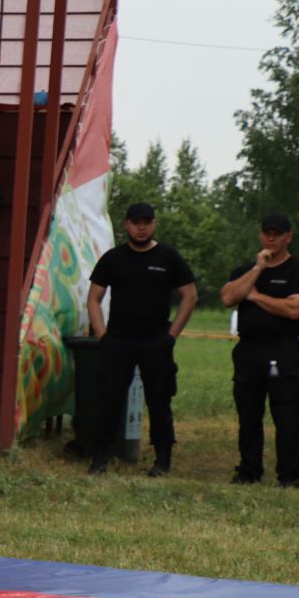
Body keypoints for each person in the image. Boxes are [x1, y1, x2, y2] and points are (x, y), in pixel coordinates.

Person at [86, 202, 198, 477]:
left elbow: (190, 296)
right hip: (119, 341)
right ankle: (100, 457)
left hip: (156, 341)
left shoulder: (168, 258)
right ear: (126, 224)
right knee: (108, 397)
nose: (141, 226)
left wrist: (171, 336)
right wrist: (103, 336)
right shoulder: (113, 258)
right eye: (136, 222)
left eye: (146, 221)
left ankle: (162, 460)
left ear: (153, 224)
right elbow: (93, 299)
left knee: (159, 399)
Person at [221, 214, 299, 487]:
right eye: (267, 233)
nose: (271, 238)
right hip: (248, 350)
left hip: (283, 349)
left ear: (288, 237)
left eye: (277, 234)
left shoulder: (297, 272)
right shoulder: (245, 270)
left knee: (288, 414)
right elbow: (228, 297)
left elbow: (294, 310)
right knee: (248, 412)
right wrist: (257, 270)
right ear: (260, 236)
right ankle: (249, 469)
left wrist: (256, 296)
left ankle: (290, 474)